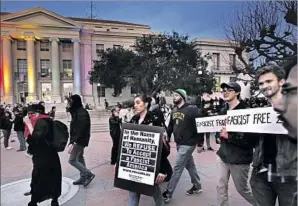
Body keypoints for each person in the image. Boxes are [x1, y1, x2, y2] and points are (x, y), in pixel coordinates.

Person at [251, 63, 297, 206]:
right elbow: (252, 142)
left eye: (269, 81)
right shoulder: (260, 113)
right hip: (261, 175)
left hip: (289, 177)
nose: (264, 86)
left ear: (281, 82)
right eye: (261, 83)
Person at [127, 95, 172, 206]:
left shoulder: (155, 120)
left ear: (146, 104)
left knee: (154, 190)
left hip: (152, 164)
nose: (135, 105)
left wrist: (161, 170)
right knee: (133, 192)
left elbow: (164, 147)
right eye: (134, 103)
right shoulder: (134, 120)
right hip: (136, 164)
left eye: (138, 102)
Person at [216, 82, 255, 206]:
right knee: (220, 187)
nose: (225, 92)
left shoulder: (246, 112)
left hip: (239, 158)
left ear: (237, 93)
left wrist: (229, 136)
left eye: (229, 90)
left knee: (242, 189)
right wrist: (219, 136)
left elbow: (250, 141)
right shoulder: (223, 110)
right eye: (223, 90)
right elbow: (221, 130)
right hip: (223, 155)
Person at [162, 89, 204, 203]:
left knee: (177, 168)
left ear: (182, 96)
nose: (174, 97)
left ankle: (168, 193)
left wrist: (200, 143)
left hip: (189, 143)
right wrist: (167, 136)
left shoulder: (191, 109)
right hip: (180, 144)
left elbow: (200, 126)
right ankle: (197, 186)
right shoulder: (174, 110)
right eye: (173, 95)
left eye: (176, 95)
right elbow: (170, 125)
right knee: (190, 166)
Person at [25, 104, 62, 206]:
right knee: (53, 175)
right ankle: (54, 199)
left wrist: (29, 125)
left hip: (43, 155)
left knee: (39, 176)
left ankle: (34, 201)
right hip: (50, 154)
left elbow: (37, 136)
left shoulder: (41, 122)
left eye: (30, 114)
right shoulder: (47, 120)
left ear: (36, 113)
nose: (29, 116)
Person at [67, 94, 95, 187]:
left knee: (72, 160)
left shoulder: (81, 112)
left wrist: (74, 141)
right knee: (80, 157)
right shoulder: (77, 111)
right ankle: (83, 177)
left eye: (71, 101)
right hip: (79, 139)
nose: (69, 103)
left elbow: (81, 128)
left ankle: (88, 174)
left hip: (79, 140)